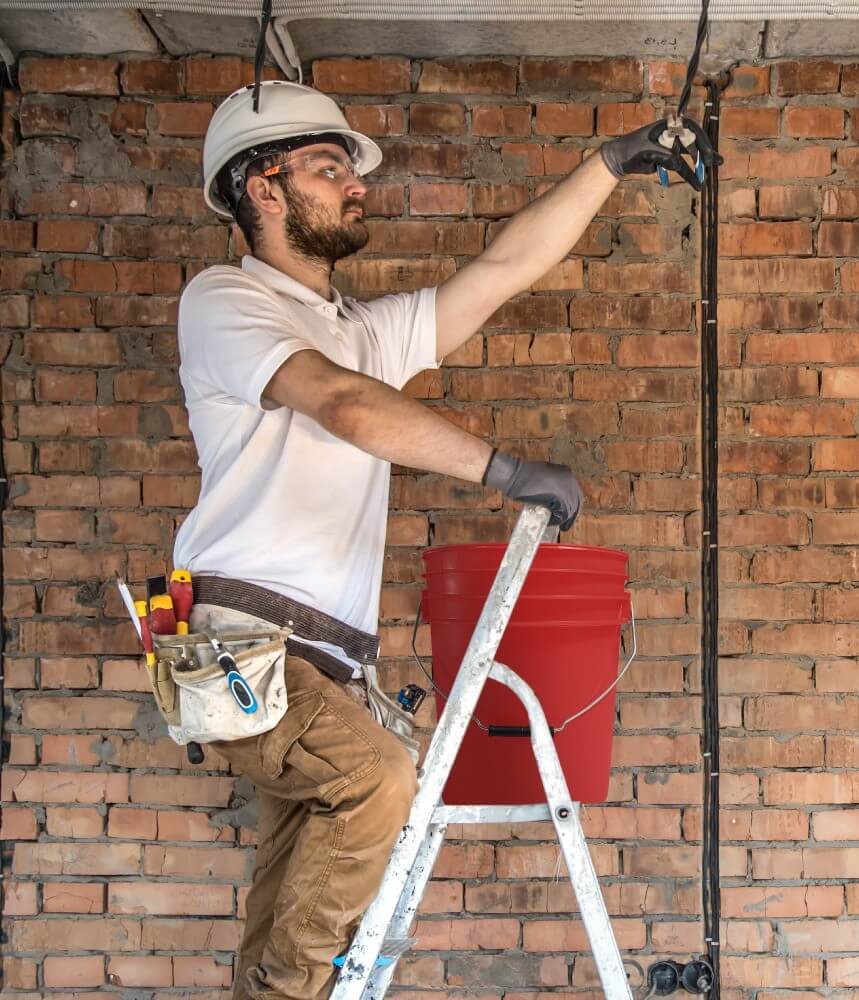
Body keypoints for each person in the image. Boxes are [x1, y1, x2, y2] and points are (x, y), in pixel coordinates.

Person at [172, 79, 686, 1000]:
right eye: (330, 169)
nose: (356, 186)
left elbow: (498, 274)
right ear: (263, 187)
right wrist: (503, 469)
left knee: (293, 876)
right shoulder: (225, 302)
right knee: (377, 781)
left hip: (319, 663)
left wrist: (607, 165)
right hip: (244, 648)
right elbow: (341, 404)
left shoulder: (361, 332)